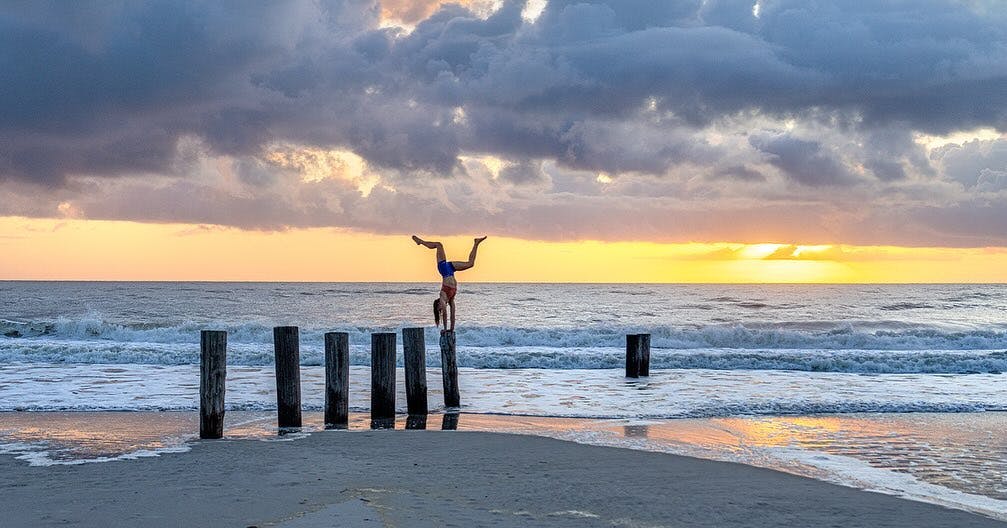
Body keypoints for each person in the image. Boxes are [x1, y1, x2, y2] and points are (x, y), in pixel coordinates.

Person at [412, 235, 486, 333]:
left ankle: (420, 241)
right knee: (470, 264)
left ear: (438, 304)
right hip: (451, 271)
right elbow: (452, 314)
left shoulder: (442, 296)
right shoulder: (450, 299)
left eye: (439, 308)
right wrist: (451, 329)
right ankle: (476, 243)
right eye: (441, 308)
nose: (441, 308)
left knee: (439, 245)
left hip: (444, 269)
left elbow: (445, 313)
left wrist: (445, 329)